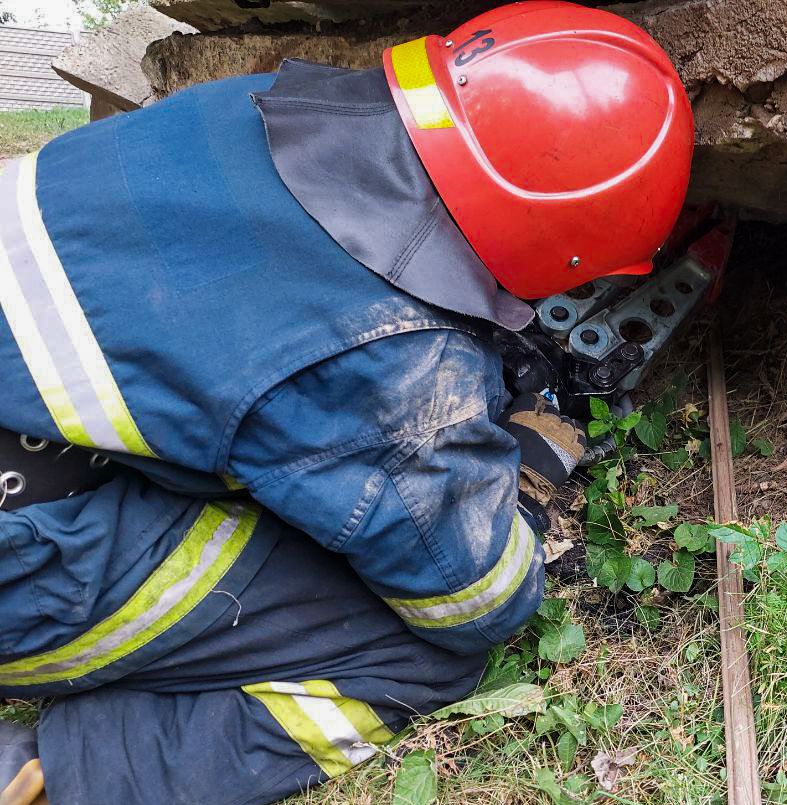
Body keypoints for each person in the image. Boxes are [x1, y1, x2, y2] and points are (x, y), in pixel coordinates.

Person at [0, 2, 693, 802]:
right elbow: (473, 602)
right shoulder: (386, 360)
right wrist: (525, 477)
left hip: (35, 435)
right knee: (416, 653)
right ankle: (55, 772)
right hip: (23, 549)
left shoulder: (250, 109)